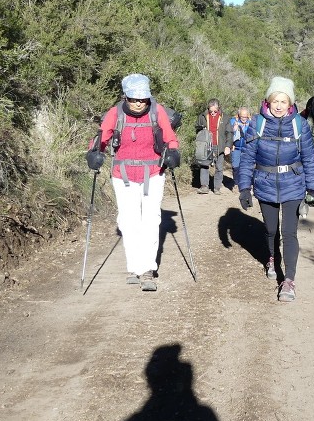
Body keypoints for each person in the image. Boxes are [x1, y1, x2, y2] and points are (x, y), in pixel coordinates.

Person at [86, 74, 180, 292]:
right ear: (125, 97)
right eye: (134, 98)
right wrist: (94, 152)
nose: (139, 103)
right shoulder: (115, 113)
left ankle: (147, 268)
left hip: (153, 172)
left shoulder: (158, 111)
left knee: (151, 219)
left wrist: (173, 152)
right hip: (123, 173)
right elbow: (101, 137)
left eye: (143, 99)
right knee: (128, 221)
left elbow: (169, 136)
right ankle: (133, 267)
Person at [235, 76, 314, 302]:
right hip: (264, 183)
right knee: (271, 230)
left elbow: (310, 158)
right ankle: (272, 257)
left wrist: (312, 188)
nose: (279, 106)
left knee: (289, 233)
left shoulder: (300, 125)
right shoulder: (257, 123)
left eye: (284, 101)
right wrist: (244, 187)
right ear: (268, 101)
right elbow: (247, 158)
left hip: (293, 184)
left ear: (290, 103)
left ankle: (289, 281)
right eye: (275, 101)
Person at [195, 98, 230, 194]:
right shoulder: (203, 116)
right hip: (206, 145)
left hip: (220, 145)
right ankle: (204, 186)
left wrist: (228, 146)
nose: (213, 113)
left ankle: (217, 188)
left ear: (219, 108)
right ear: (208, 108)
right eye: (211, 111)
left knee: (219, 167)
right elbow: (197, 129)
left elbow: (229, 133)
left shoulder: (225, 117)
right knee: (204, 165)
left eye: (215, 111)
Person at [226, 106, 252, 177]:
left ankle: (242, 183)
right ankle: (236, 182)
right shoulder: (233, 121)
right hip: (236, 148)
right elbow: (228, 134)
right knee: (235, 166)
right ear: (239, 115)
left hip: (247, 148)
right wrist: (233, 130)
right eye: (242, 117)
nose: (244, 119)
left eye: (245, 117)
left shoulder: (251, 123)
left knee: (244, 167)